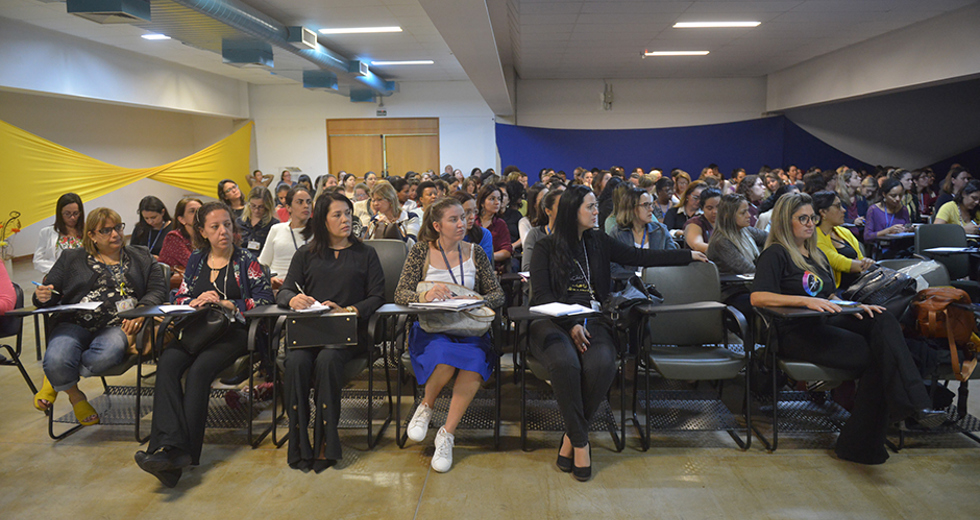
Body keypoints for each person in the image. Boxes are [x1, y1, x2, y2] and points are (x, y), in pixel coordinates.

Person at [750, 192, 945, 465]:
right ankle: (887, 424)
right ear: (785, 221)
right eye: (802, 219)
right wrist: (806, 300)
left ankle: (915, 405)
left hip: (824, 320)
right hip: (795, 331)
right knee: (880, 355)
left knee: (882, 318)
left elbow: (828, 295)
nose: (810, 224)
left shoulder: (815, 253)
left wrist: (852, 306)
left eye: (812, 218)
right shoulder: (776, 254)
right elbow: (758, 297)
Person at [530, 185, 705, 481]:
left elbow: (640, 257)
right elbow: (542, 298)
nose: (598, 212)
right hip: (552, 322)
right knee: (565, 363)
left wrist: (687, 256)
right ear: (573, 211)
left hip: (594, 319)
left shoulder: (599, 241)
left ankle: (572, 437)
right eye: (591, 207)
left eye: (596, 206)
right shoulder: (546, 247)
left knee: (601, 364)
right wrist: (570, 324)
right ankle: (583, 443)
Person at [135, 201, 273, 488]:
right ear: (202, 231)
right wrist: (194, 301)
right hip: (198, 328)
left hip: (233, 333)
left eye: (227, 224)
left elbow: (264, 300)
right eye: (215, 227)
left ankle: (182, 453)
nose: (224, 231)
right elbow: (180, 296)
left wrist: (227, 303)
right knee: (169, 364)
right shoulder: (197, 260)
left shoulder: (247, 260)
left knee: (199, 372)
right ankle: (167, 450)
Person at [276, 192, 385, 472]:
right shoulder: (306, 254)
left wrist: (349, 310)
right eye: (337, 215)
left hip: (348, 333)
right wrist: (292, 299)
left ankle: (327, 440)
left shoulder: (365, 253)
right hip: (312, 330)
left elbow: (377, 296)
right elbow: (286, 289)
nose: (345, 219)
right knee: (297, 362)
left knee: (327, 360)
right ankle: (299, 442)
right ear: (323, 221)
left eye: (348, 213)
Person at [394, 198, 505, 473]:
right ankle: (426, 406)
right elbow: (400, 293)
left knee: (474, 362)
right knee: (444, 356)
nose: (462, 223)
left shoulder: (475, 252)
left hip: (469, 327)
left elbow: (497, 293)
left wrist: (472, 299)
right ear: (436, 225)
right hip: (433, 327)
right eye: (454, 219)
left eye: (464, 218)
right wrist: (426, 294)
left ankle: (447, 434)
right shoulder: (421, 251)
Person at [32, 208, 167, 427]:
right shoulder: (71, 258)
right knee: (57, 359)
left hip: (118, 324)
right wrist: (43, 296)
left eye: (117, 228)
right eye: (105, 230)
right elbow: (49, 292)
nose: (115, 234)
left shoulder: (141, 255)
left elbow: (158, 290)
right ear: (92, 236)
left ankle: (55, 376)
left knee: (103, 358)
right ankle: (76, 397)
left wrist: (141, 311)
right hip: (74, 323)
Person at [610, 187, 678, 280]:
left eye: (651, 205)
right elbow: (613, 268)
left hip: (659, 283)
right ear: (632, 207)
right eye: (646, 205)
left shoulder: (661, 230)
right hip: (628, 287)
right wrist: (638, 277)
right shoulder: (617, 233)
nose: (651, 209)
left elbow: (672, 260)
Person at [813, 191, 874, 290]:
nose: (843, 210)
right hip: (839, 291)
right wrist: (867, 265)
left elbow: (861, 258)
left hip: (860, 285)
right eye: (837, 206)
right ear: (823, 212)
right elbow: (839, 262)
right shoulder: (814, 237)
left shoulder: (844, 232)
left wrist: (866, 264)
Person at [259, 186, 312, 289]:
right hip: (277, 285)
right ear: (288, 207)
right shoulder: (276, 229)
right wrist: (269, 279)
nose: (306, 206)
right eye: (300, 202)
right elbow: (263, 264)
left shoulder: (318, 233)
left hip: (305, 288)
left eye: (309, 202)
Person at [34, 193, 85, 275]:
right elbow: (38, 261)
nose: (72, 218)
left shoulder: (87, 231)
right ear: (60, 213)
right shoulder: (46, 233)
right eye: (67, 214)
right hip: (59, 276)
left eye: (76, 213)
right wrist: (59, 270)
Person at [158, 197, 203, 289]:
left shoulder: (205, 236)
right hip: (172, 288)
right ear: (182, 219)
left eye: (200, 211)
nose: (198, 214)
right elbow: (193, 265)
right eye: (192, 211)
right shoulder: (174, 238)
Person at [864, 178, 912, 256]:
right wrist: (887, 231)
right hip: (881, 250)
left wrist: (908, 229)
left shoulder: (903, 209)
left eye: (900, 195)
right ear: (884, 194)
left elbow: (907, 228)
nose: (897, 199)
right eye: (893, 196)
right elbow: (867, 236)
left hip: (901, 249)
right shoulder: (874, 210)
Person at [365, 181, 420, 246]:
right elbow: (373, 246)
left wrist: (391, 226)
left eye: (379, 200)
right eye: (374, 200)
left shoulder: (411, 217)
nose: (375, 204)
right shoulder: (375, 220)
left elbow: (412, 244)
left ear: (390, 200)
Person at [476, 184, 513, 273]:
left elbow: (507, 251)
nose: (497, 202)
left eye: (499, 199)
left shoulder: (500, 224)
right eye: (492, 199)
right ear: (482, 202)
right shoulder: (473, 222)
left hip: (493, 268)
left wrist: (488, 257)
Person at [453, 191, 494, 266]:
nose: (472, 217)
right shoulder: (445, 236)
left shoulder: (483, 234)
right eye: (467, 212)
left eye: (474, 211)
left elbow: (482, 266)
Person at [239, 186, 279, 256]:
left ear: (267, 206)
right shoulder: (240, 222)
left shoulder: (274, 225)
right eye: (253, 206)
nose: (256, 210)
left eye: (261, 207)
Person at [684, 187, 721, 253]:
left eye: (718, 207)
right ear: (702, 208)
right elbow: (697, 245)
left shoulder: (725, 222)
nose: (715, 211)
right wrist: (725, 251)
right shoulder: (694, 223)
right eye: (709, 208)